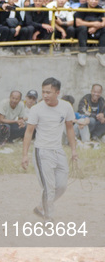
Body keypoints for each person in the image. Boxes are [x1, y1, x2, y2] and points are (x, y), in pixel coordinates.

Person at [22, 77, 77, 222]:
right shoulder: (36, 109)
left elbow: (70, 128)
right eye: (43, 92)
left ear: (57, 92)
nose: (45, 95)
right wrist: (25, 155)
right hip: (42, 151)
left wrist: (73, 150)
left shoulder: (66, 107)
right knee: (49, 187)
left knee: (62, 185)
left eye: (49, 92)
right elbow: (28, 132)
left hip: (58, 151)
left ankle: (41, 206)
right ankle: (48, 216)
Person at [75, 0, 105, 67]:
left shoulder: (100, 8)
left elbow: (104, 21)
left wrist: (96, 27)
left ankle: (101, 53)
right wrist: (93, 24)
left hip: (95, 31)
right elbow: (78, 22)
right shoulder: (82, 7)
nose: (94, 1)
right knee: (82, 28)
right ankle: (82, 52)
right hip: (84, 32)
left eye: (96, 0)